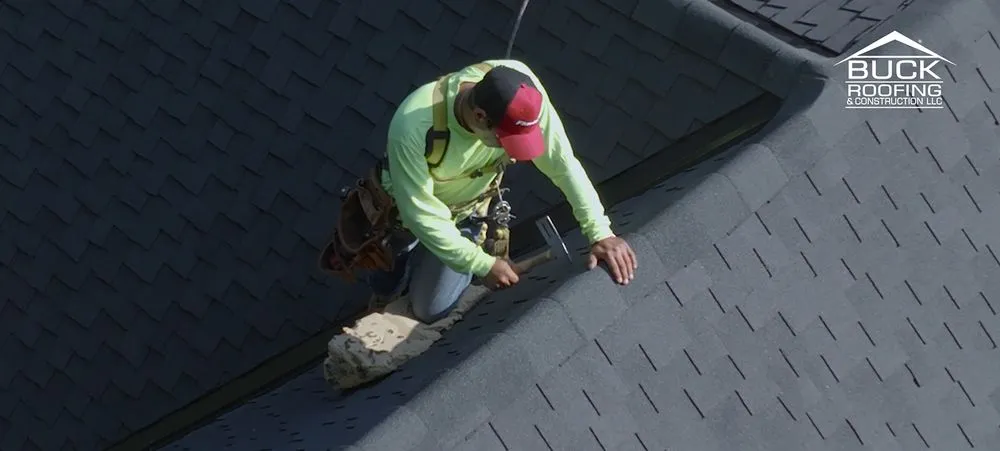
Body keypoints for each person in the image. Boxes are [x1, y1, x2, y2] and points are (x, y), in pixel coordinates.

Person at [362, 59, 637, 323]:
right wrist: (482, 265)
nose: (512, 154)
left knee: (429, 309)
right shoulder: (414, 126)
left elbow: (562, 164)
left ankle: (458, 249)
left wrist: (600, 232)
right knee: (387, 272)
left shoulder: (524, 92)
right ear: (480, 116)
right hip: (401, 214)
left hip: (466, 212)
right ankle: (385, 294)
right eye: (506, 141)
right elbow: (421, 216)